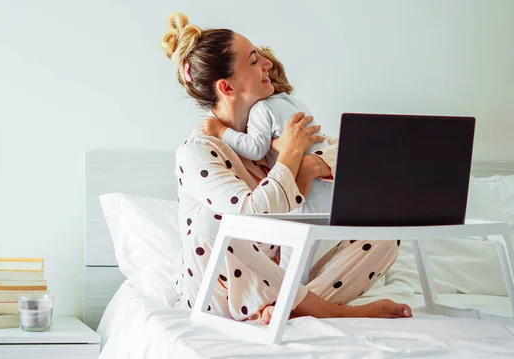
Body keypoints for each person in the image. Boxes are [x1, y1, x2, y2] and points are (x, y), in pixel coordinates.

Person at [161, 12, 411, 324]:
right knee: (215, 226)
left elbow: (346, 153)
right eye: (253, 61)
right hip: (219, 290)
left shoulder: (272, 130)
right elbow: (252, 214)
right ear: (226, 87)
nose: (267, 64)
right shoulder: (198, 150)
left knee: (384, 236)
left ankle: (285, 311)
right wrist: (294, 157)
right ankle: (334, 312)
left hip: (281, 276)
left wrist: (306, 162)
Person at [199, 46, 336, 214]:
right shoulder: (297, 104)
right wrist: (276, 144)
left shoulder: (262, 108)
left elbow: (255, 149)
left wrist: (221, 131)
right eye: (254, 62)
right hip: (330, 192)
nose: (266, 66)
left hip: (304, 199)